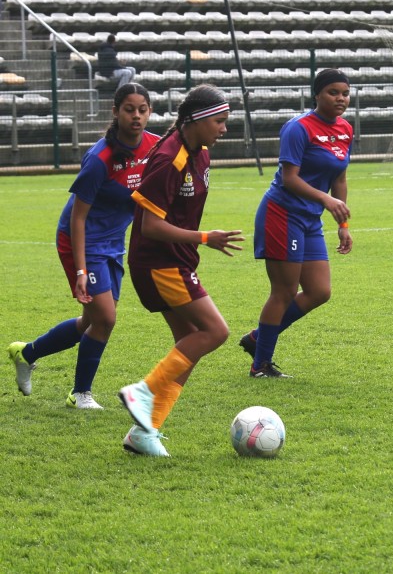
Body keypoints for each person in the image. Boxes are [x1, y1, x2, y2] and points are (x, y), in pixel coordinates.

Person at [8, 84, 158, 409]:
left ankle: (27, 353)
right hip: (82, 240)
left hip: (112, 241)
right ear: (115, 112)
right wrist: (79, 270)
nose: (136, 116)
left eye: (142, 109)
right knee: (105, 318)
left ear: (149, 112)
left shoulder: (155, 147)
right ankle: (80, 394)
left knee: (90, 322)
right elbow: (78, 218)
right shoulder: (99, 159)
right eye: (129, 109)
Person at [117, 84, 244, 457]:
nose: (224, 129)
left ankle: (145, 432)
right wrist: (205, 237)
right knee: (215, 331)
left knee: (189, 342)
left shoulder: (199, 153)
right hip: (159, 262)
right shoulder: (169, 158)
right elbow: (150, 226)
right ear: (196, 120)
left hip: (177, 259)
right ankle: (142, 392)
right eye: (219, 121)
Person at [237, 68, 354, 378]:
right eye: (333, 92)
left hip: (310, 219)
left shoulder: (345, 128)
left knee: (319, 291)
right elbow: (289, 178)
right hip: (282, 214)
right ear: (317, 94)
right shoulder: (298, 128)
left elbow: (339, 178)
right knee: (284, 291)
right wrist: (326, 200)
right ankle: (260, 364)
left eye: (345, 93)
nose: (340, 98)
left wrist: (342, 225)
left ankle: (257, 339)